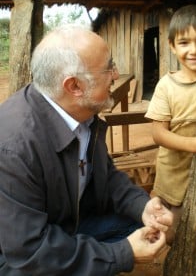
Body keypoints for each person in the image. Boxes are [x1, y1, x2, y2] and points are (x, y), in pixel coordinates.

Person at [0, 24, 173, 276]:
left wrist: (142, 207)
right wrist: (122, 253)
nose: (115, 75)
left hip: (64, 228)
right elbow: (30, 251)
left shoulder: (82, 115)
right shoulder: (13, 148)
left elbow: (107, 176)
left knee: (141, 225)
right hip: (16, 258)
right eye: (108, 68)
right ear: (75, 87)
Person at [145, 5, 196, 242]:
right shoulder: (167, 85)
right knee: (167, 232)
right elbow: (158, 134)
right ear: (172, 46)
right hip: (170, 175)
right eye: (184, 43)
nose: (194, 50)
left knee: (191, 229)